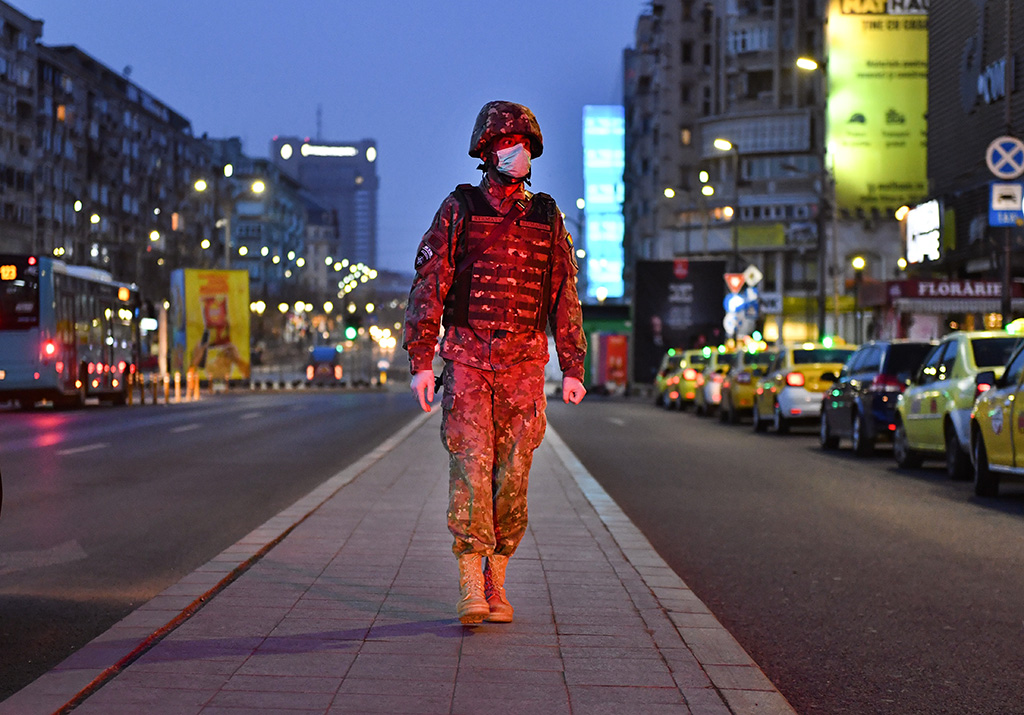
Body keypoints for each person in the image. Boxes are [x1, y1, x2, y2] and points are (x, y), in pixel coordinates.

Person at [403, 100, 587, 625]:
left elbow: (563, 294)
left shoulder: (547, 217)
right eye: (509, 144)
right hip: (466, 358)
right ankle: (470, 584)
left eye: (525, 144)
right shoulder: (458, 209)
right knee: (470, 466)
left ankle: (496, 578)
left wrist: (573, 366)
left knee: (514, 474)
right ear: (487, 151)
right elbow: (430, 284)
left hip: (524, 363)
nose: (519, 152)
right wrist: (421, 359)